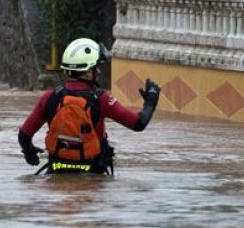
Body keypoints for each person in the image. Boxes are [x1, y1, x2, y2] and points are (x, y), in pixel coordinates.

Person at [18, 38, 161, 175]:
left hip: (56, 172)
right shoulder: (102, 99)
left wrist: (29, 152)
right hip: (93, 177)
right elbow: (138, 123)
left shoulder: (49, 97)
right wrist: (150, 102)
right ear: (87, 72)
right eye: (96, 68)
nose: (98, 72)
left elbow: (24, 135)